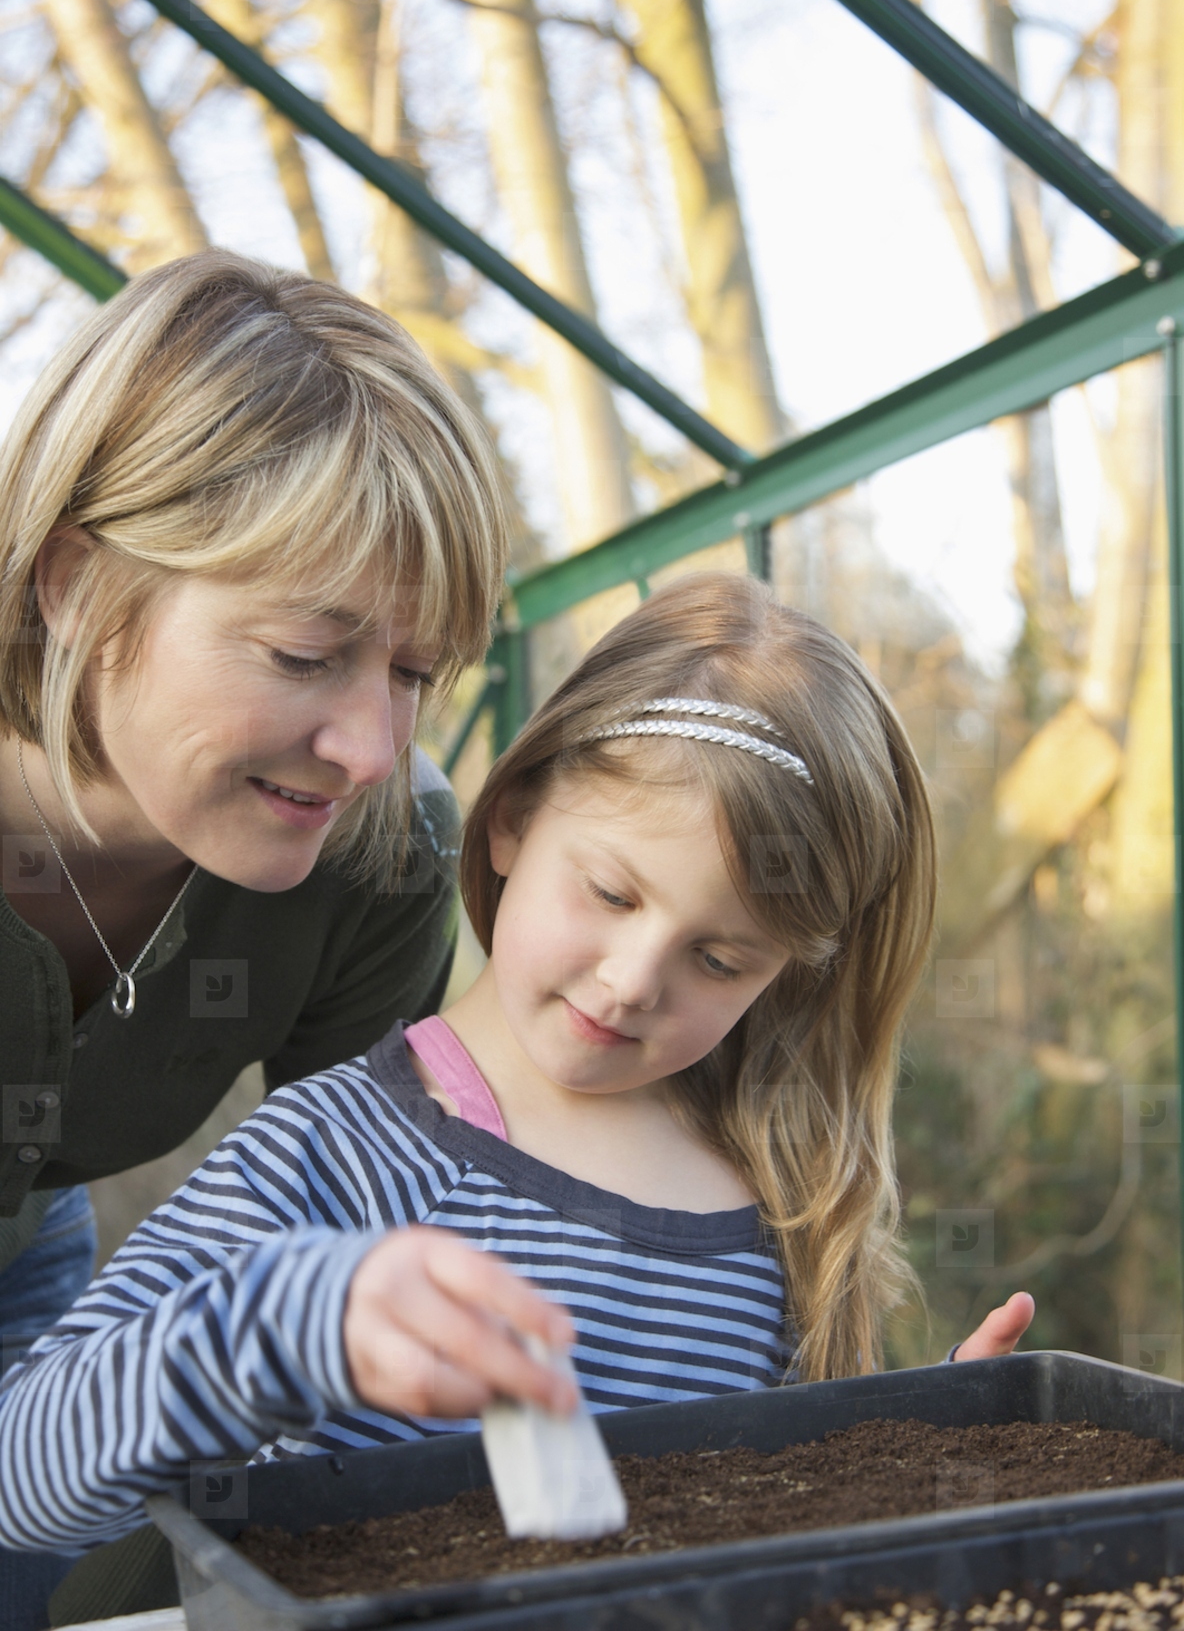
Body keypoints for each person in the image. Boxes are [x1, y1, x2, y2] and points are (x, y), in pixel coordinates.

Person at [0, 571, 1034, 1568]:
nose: (632, 980)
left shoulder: (779, 1203)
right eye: (610, 893)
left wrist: (906, 1460)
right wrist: (282, 1325)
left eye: (719, 958)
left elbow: (764, 1521)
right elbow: (23, 1478)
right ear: (511, 819)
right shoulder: (340, 1155)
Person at [0, 248, 522, 1627]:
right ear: (74, 585)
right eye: (304, 653)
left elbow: (357, 1212)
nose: (369, 747)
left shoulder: (381, 853)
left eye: (414, 673)